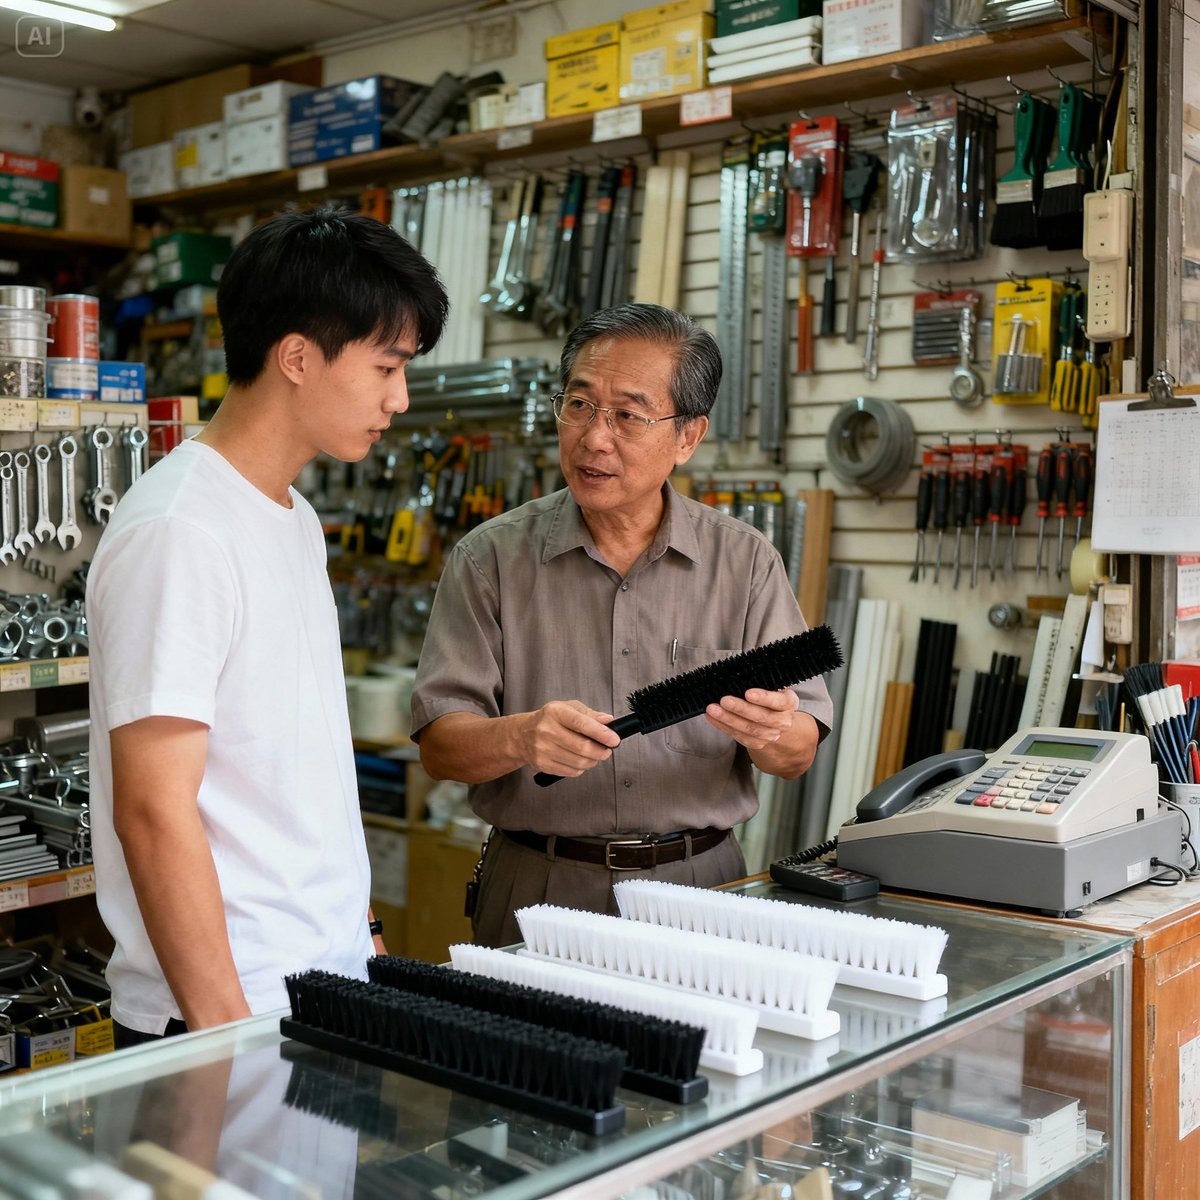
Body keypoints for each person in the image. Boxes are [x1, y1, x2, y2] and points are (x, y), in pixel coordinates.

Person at [88, 206, 448, 1045]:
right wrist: (225, 1040)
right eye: (387, 365)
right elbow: (153, 811)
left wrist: (361, 938)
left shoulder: (292, 518)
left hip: (317, 985)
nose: (400, 397)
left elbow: (303, 769)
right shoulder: (180, 530)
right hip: (224, 1012)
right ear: (296, 357)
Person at [411, 303, 833, 948]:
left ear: (688, 436)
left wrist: (774, 732)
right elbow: (441, 747)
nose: (593, 438)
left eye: (628, 416)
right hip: (539, 889)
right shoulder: (488, 557)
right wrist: (523, 737)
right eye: (579, 405)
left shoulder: (745, 561)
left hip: (703, 891)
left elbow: (799, 749)